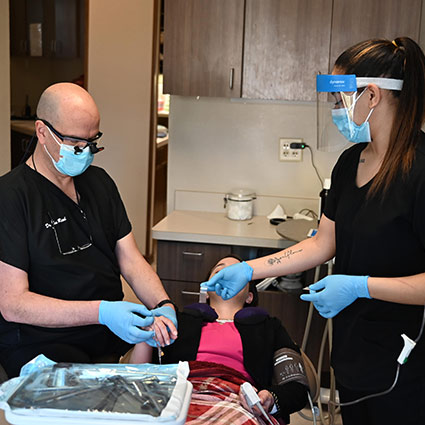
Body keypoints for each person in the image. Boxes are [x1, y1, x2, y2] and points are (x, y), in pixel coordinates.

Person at [203, 37, 425, 425]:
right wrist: (251, 270)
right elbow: (323, 243)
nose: (336, 111)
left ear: (371, 95)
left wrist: (361, 286)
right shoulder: (349, 163)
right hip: (356, 349)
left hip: (408, 357)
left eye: (340, 100)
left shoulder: (420, 171)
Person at [0, 83, 177, 378]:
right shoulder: (11, 197)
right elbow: (13, 304)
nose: (85, 154)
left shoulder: (99, 183)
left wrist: (162, 304)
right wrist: (102, 312)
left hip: (103, 334)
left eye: (92, 143)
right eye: (75, 145)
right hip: (43, 343)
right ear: (42, 132)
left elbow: (131, 259)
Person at [129, 256, 309, 425]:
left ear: (250, 296)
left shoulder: (269, 328)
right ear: (206, 291)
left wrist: (270, 398)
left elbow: (297, 389)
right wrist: (146, 331)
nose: (227, 275)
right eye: (219, 271)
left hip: (238, 403)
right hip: (180, 396)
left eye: (235, 272)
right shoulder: (178, 321)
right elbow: (136, 378)